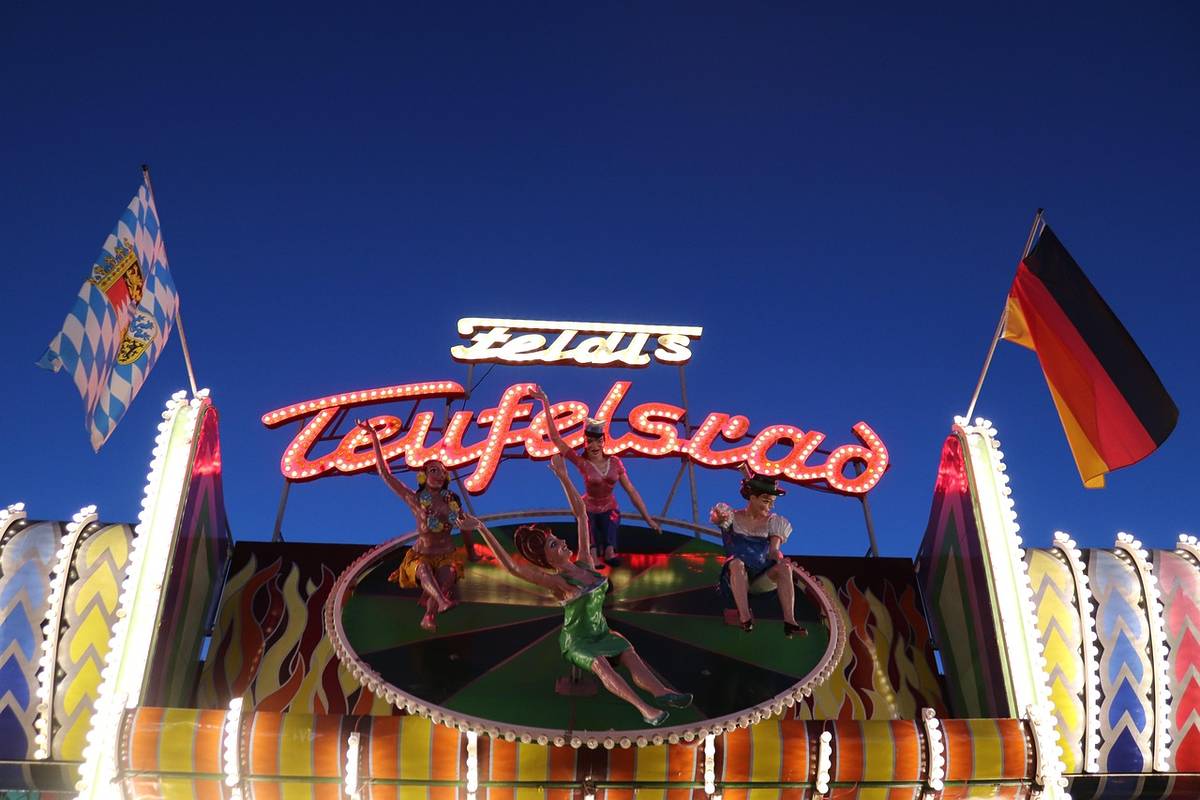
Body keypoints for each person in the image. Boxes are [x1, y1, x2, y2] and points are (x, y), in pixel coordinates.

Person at [467, 455, 691, 726]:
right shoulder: (559, 583)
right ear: (547, 560)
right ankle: (645, 709)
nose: (561, 542)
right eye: (552, 545)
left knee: (627, 650)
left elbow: (582, 514)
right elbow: (514, 569)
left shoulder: (584, 563)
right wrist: (481, 529)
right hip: (578, 641)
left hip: (601, 632)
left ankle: (662, 692)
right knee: (601, 664)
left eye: (556, 539)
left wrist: (563, 476)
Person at [357, 418, 480, 632]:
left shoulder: (453, 501)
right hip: (421, 555)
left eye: (442, 471)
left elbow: (465, 527)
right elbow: (386, 474)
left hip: (446, 554)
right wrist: (375, 438)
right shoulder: (415, 499)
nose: (439, 474)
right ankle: (441, 603)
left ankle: (429, 616)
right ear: (423, 476)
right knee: (423, 569)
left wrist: (471, 553)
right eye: (433, 470)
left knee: (448, 576)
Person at [532, 387, 660, 563]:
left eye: (598, 441)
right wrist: (545, 401)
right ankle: (593, 557)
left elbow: (631, 490)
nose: (594, 446)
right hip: (588, 509)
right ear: (585, 443)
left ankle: (609, 551)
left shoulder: (615, 462)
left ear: (603, 442)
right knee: (588, 539)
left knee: (612, 527)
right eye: (589, 441)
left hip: (609, 508)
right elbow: (555, 438)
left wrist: (649, 519)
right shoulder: (582, 462)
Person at [710, 473, 803, 637]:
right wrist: (718, 515)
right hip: (735, 577)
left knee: (784, 568)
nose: (770, 507)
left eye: (772, 502)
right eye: (766, 501)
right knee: (737, 563)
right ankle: (745, 617)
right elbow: (717, 518)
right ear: (752, 497)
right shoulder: (732, 517)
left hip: (759, 578)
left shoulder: (774, 522)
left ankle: (790, 622)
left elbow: (774, 551)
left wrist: (781, 560)